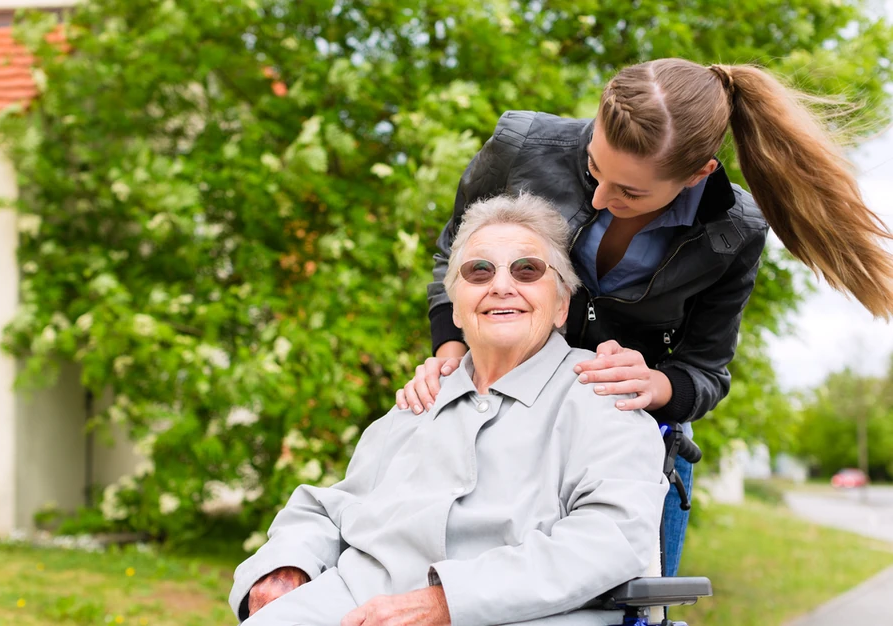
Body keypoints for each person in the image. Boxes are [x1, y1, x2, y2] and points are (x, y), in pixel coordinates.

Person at [398, 58, 893, 576]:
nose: (600, 196)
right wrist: (450, 352)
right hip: (505, 429)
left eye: (630, 192)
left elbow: (705, 372)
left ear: (699, 174)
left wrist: (657, 385)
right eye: (593, 167)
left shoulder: (734, 233)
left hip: (632, 455)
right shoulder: (520, 145)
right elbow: (455, 252)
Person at [230, 195, 669, 626]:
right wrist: (285, 564)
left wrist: (449, 602)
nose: (501, 285)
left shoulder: (603, 393)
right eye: (479, 271)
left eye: (527, 269)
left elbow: (610, 538)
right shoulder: (418, 401)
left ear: (561, 305)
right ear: (455, 308)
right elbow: (332, 508)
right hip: (356, 603)